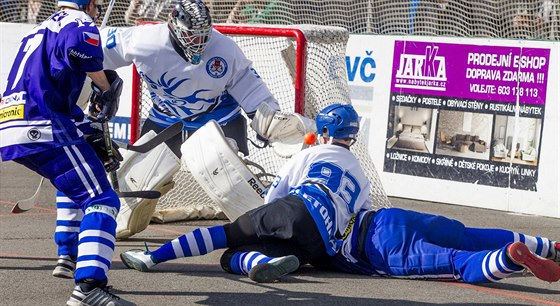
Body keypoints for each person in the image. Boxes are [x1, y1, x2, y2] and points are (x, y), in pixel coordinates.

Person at [119, 103, 374, 283]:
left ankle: (152, 257)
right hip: (319, 243)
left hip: (299, 208)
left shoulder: (312, 153)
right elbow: (363, 217)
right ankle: (260, 263)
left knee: (228, 234)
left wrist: (263, 217)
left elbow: (277, 191)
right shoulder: (362, 177)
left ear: (326, 132)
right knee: (229, 259)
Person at [0, 1, 135, 305]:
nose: (98, 11)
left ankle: (67, 255)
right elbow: (81, 50)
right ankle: (89, 286)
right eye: (95, 5)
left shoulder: (38, 29)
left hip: (14, 122)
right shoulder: (77, 21)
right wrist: (104, 85)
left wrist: (86, 130)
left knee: (77, 187)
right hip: (43, 124)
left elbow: (48, 88)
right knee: (101, 199)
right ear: (87, 4)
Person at [294, 208, 560, 284]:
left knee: (457, 262)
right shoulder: (340, 167)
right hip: (390, 217)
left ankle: (508, 259)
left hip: (380, 250)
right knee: (470, 236)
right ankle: (550, 246)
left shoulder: (292, 226)